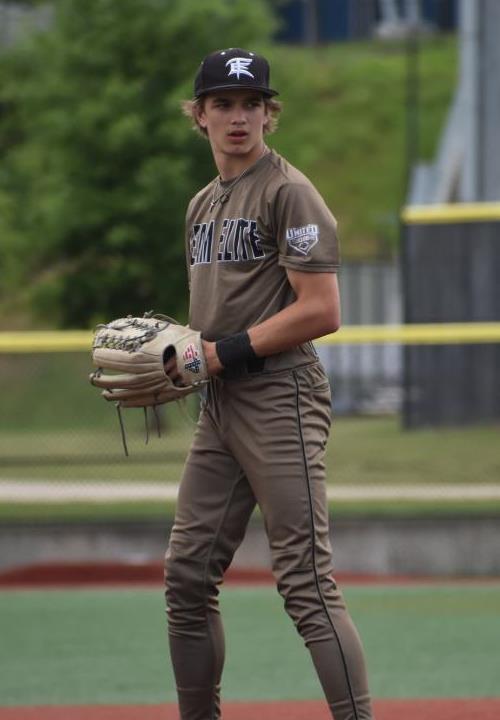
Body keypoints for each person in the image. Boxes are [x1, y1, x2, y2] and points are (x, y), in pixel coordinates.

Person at [163, 47, 374, 720]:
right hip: (221, 403)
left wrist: (218, 353)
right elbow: (215, 318)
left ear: (268, 115)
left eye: (252, 103)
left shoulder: (288, 192)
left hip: (281, 394)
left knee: (305, 581)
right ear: (199, 115)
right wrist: (178, 357)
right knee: (186, 577)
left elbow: (322, 311)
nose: (239, 116)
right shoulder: (203, 204)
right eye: (222, 103)